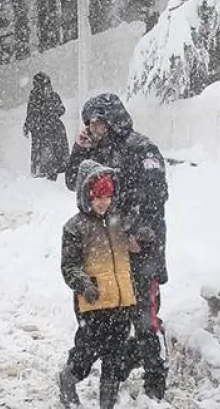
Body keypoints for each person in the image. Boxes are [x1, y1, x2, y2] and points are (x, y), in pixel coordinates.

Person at [64, 93, 169, 400]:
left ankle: (155, 380)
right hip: (108, 251)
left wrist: (138, 234)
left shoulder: (141, 149)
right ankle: (119, 365)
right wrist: (79, 149)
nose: (92, 129)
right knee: (112, 316)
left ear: (110, 120)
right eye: (89, 125)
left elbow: (155, 198)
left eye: (95, 123)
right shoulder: (97, 149)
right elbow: (74, 181)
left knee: (144, 317)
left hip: (140, 250)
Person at [58, 159, 139, 409]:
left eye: (108, 196)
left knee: (114, 358)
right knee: (86, 354)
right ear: (86, 196)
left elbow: (134, 250)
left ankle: (107, 405)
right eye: (97, 197)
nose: (104, 202)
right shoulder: (75, 227)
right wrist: (85, 285)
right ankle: (68, 378)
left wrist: (141, 240)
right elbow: (69, 266)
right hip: (93, 304)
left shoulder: (120, 222)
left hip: (121, 302)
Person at [23, 72, 69, 181]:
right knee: (46, 154)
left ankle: (51, 173)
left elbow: (62, 110)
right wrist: (28, 125)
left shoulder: (52, 95)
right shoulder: (35, 97)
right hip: (42, 130)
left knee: (54, 153)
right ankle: (44, 174)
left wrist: (51, 114)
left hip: (52, 129)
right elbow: (31, 113)